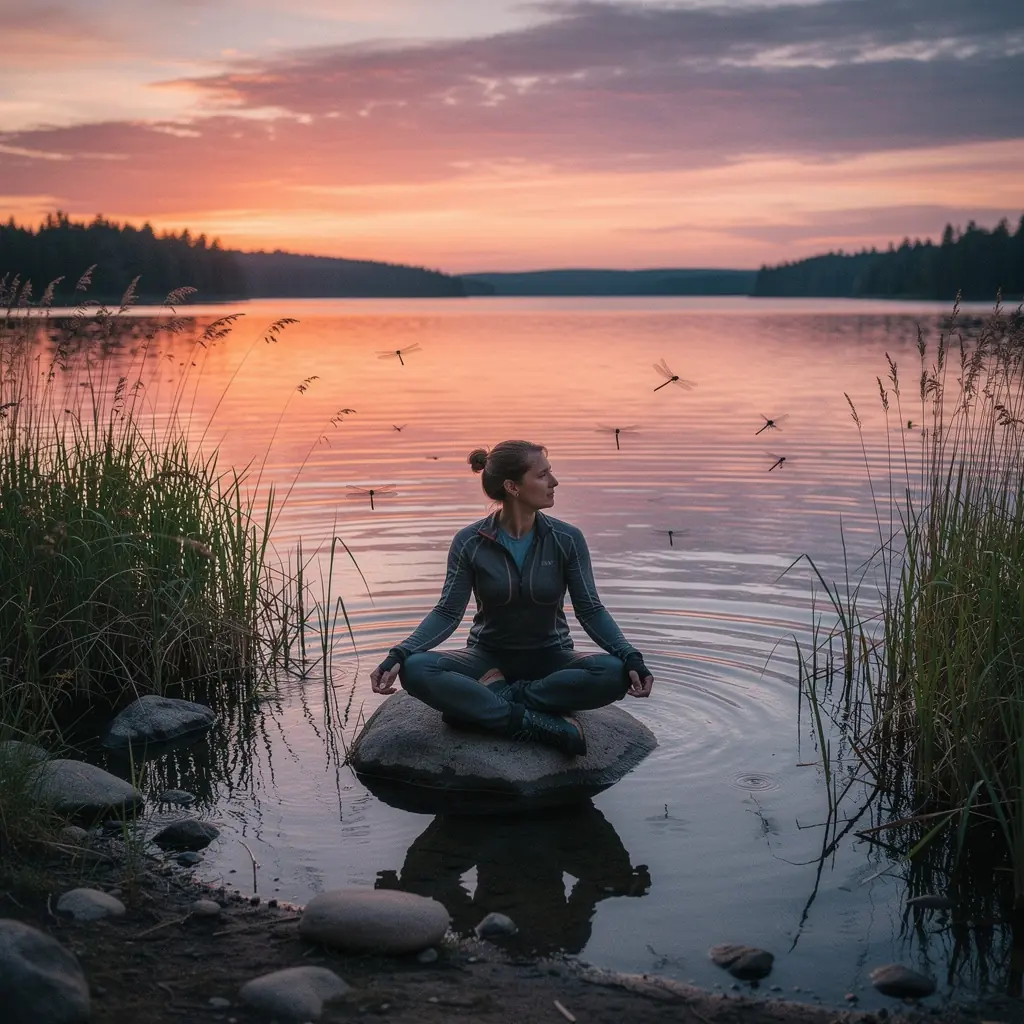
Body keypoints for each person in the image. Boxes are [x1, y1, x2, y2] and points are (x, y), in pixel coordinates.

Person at [369, 440, 654, 756]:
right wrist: (400, 653)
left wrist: (629, 655)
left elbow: (590, 609)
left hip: (551, 658)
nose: (554, 482)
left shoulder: (567, 539)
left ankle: (485, 705)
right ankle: (530, 721)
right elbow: (448, 613)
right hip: (485, 658)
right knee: (416, 668)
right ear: (512, 486)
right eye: (543, 475)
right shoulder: (470, 542)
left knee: (613, 674)